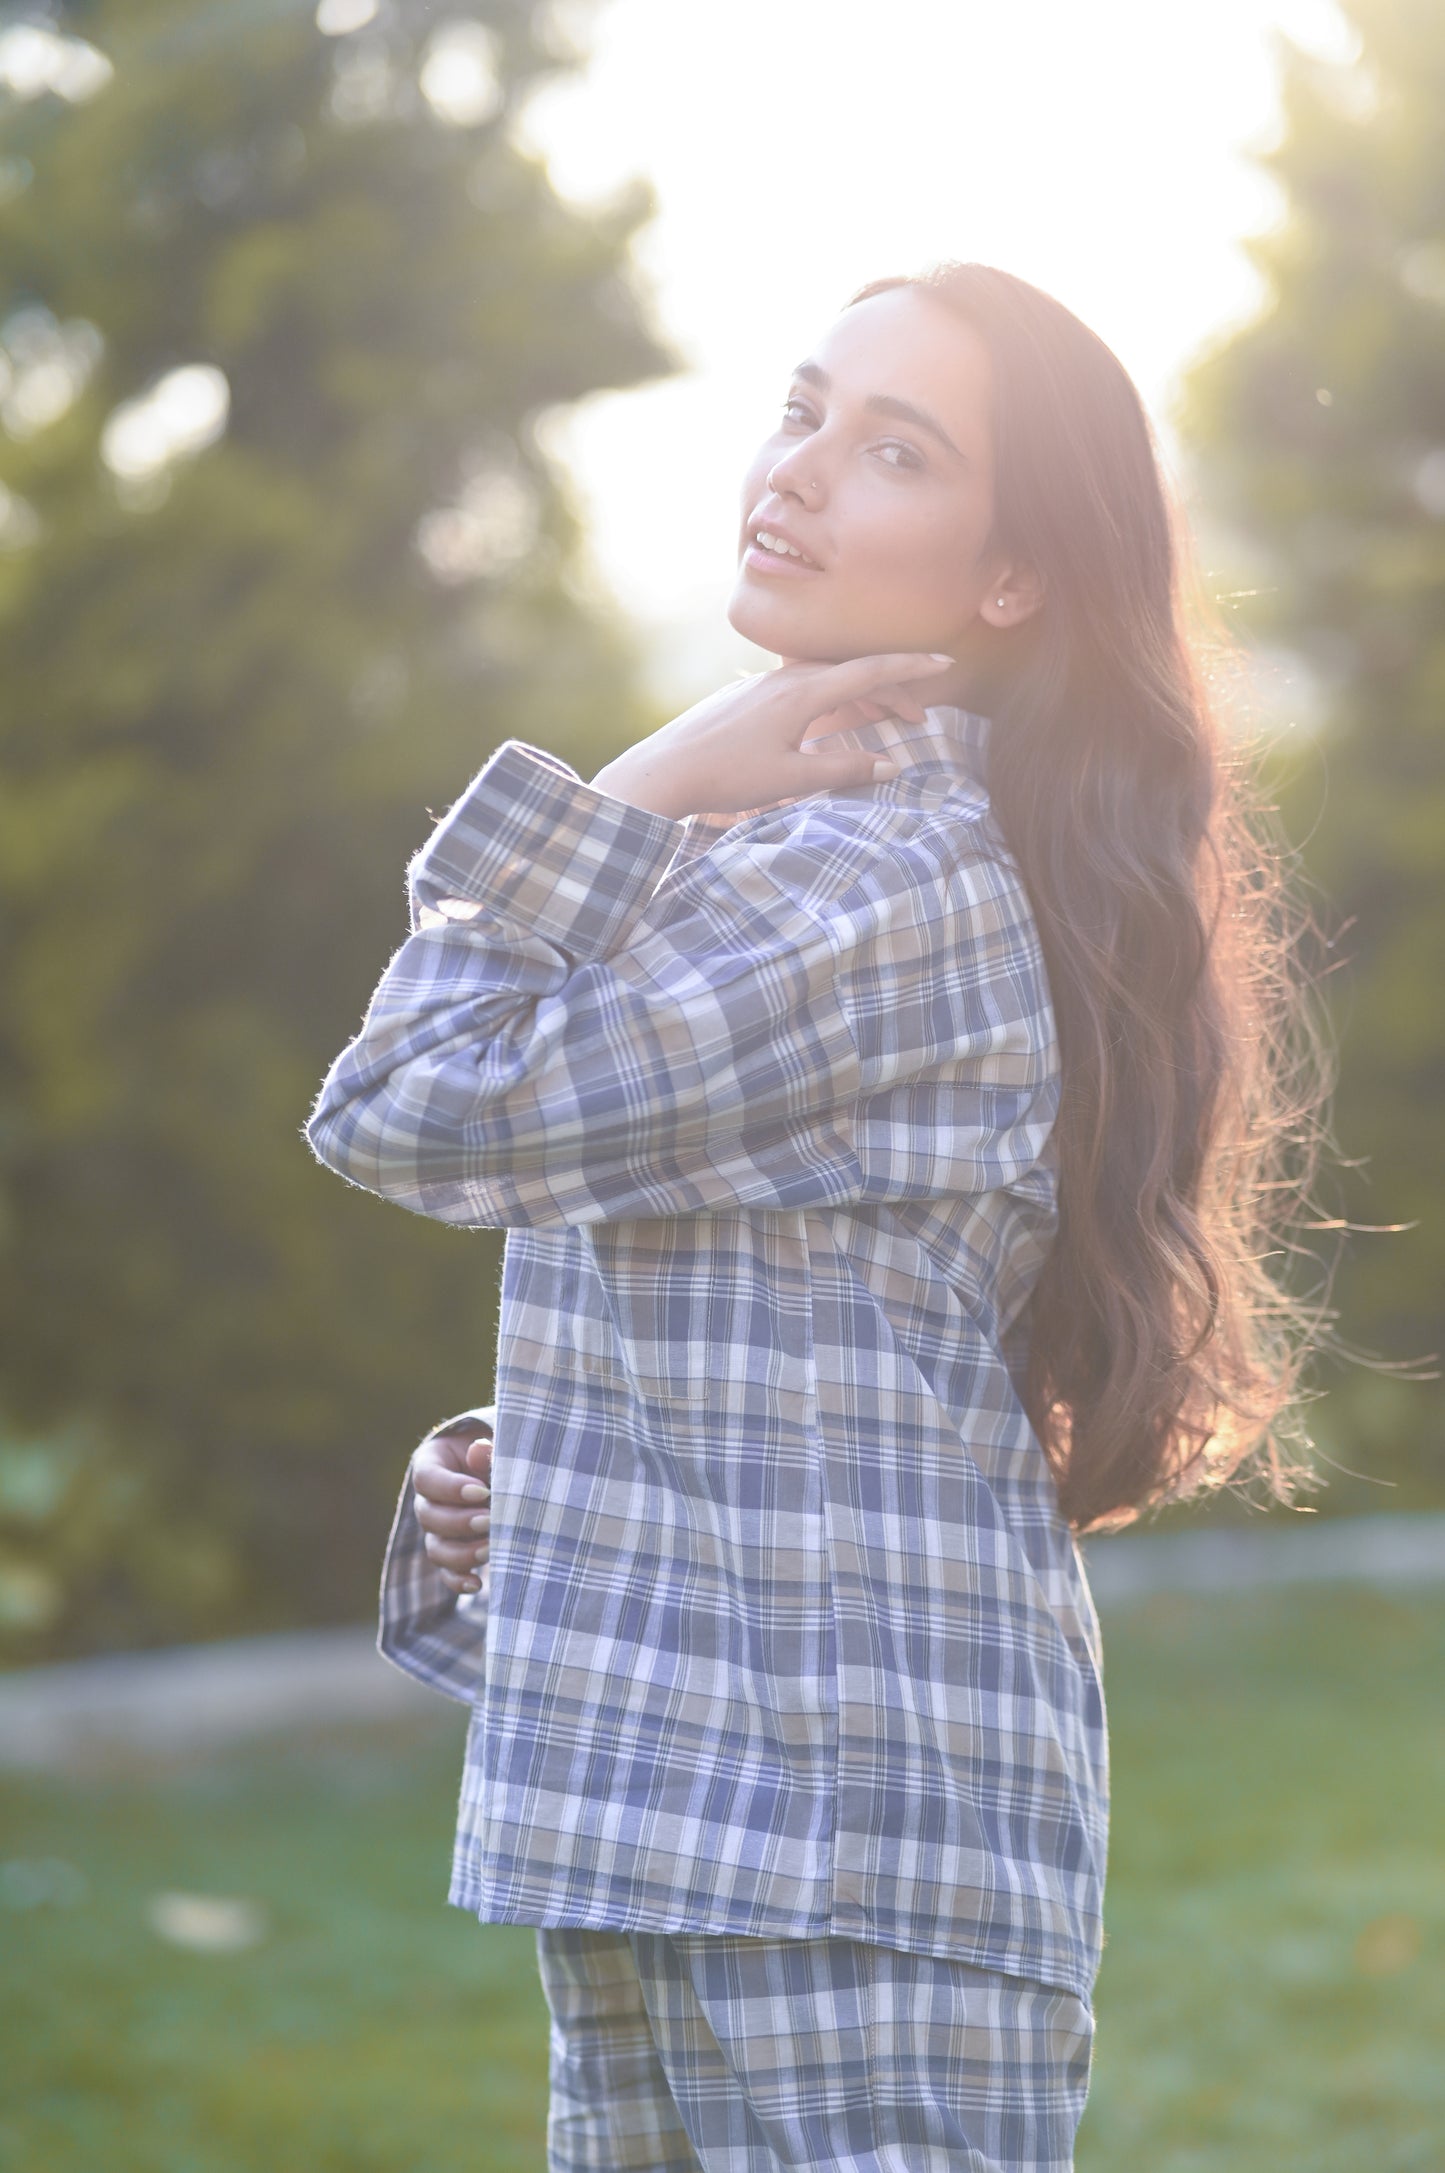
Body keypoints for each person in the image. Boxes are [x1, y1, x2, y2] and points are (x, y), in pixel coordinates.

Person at [304, 262, 1327, 2172]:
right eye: (801, 411)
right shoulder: (824, 865)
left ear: (1009, 572)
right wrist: (542, 1469)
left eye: (892, 450)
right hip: (719, 1827)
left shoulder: (869, 886)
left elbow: (407, 1106)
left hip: (828, 1855)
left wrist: (639, 776)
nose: (797, 471)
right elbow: (803, 1314)